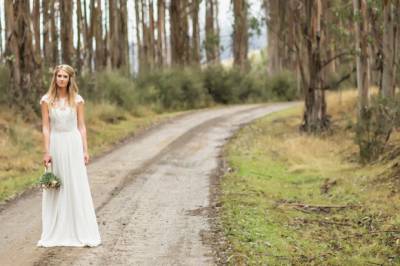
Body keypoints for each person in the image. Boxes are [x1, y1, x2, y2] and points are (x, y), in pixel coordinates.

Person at [37, 64, 101, 247]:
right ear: (55, 78)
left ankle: (78, 227)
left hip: (73, 144)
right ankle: (56, 229)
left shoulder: (77, 100)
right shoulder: (46, 100)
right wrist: (46, 151)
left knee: (75, 183)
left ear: (70, 79)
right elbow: (46, 127)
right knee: (57, 186)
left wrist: (85, 150)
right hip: (56, 144)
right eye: (59, 76)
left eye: (65, 76)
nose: (61, 79)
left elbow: (81, 126)